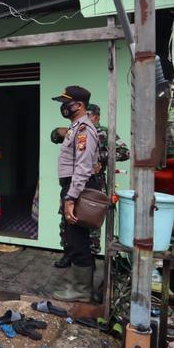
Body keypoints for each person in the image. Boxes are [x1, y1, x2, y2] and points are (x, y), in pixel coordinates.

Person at [50, 103, 130, 269]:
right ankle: (68, 254)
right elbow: (54, 137)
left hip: (94, 184)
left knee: (89, 222)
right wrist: (60, 131)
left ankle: (89, 261)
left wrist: (100, 158)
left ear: (96, 117)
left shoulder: (105, 132)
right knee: (67, 221)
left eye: (89, 115)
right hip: (72, 182)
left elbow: (125, 152)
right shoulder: (77, 129)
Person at [51, 86, 100, 302]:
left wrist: (71, 198)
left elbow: (83, 167)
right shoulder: (75, 127)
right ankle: (79, 286)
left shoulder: (84, 130)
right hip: (73, 186)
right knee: (73, 238)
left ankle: (82, 291)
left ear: (79, 105)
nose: (63, 107)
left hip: (78, 187)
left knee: (78, 239)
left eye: (66, 103)